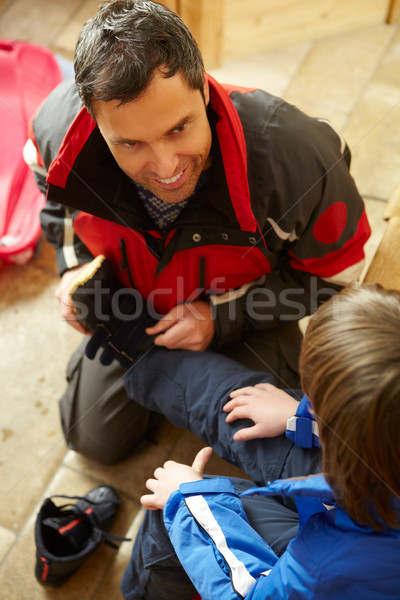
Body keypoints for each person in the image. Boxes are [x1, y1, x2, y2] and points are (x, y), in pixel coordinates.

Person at [24, 0, 370, 464]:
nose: (166, 168)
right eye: (130, 143)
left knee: (284, 455)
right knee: (91, 440)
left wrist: (222, 318)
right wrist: (77, 269)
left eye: (179, 128)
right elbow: (55, 199)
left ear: (204, 90)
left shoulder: (298, 155)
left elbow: (337, 281)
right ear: (91, 118)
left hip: (251, 316)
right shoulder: (54, 132)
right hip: (135, 308)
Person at [120, 284, 400, 599]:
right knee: (241, 404)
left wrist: (189, 503)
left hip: (320, 561)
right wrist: (299, 415)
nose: (307, 402)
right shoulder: (382, 443)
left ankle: (140, 594)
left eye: (316, 402)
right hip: (356, 500)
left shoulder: (329, 567)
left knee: (169, 514)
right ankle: (136, 351)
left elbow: (255, 594)